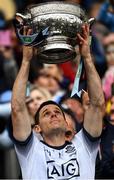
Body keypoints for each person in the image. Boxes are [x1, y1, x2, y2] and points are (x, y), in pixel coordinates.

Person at [11, 24, 105, 179]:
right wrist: (26, 61)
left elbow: (97, 103)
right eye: (46, 114)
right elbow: (18, 107)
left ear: (67, 122)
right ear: (37, 129)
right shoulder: (29, 150)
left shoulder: (85, 144)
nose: (53, 115)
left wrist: (87, 57)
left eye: (57, 112)